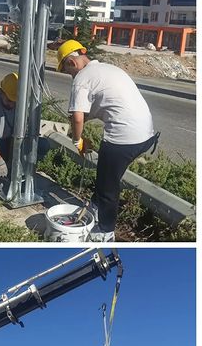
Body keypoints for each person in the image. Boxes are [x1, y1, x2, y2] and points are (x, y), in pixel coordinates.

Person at [57, 39, 159, 242]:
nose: (71, 76)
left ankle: (105, 231)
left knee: (107, 186)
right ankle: (96, 205)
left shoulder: (82, 79)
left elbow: (78, 117)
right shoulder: (106, 69)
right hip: (146, 135)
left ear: (71, 62)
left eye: (68, 72)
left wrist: (77, 140)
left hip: (124, 137)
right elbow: (101, 106)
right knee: (107, 173)